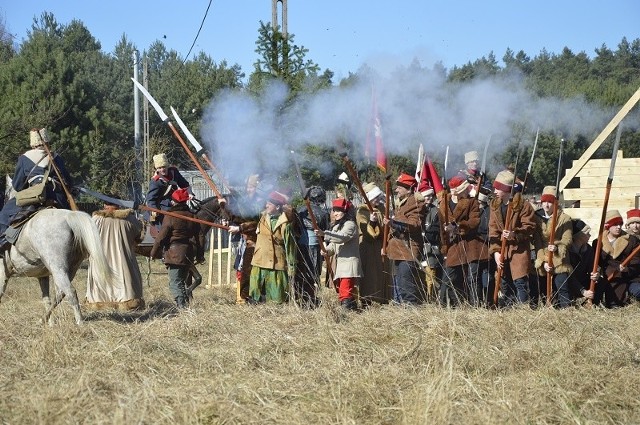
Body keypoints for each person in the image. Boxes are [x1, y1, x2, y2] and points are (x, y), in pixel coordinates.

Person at [0, 128, 73, 254]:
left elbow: (17, 186)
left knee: (4, 214)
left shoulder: (24, 158)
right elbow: (67, 181)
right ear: (47, 141)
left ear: (32, 144)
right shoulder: (56, 157)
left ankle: (2, 242)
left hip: (34, 197)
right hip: (57, 197)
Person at [86, 199, 145, 311]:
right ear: (119, 205)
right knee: (125, 279)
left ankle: (101, 303)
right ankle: (126, 303)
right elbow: (138, 236)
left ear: (104, 205)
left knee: (101, 279)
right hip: (123, 259)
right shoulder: (130, 219)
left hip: (100, 259)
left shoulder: (95, 220)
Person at [489, 170, 537, 307]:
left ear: (506, 189)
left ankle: (523, 310)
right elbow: (493, 230)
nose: (495, 190)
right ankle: (509, 310)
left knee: (520, 282)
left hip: (518, 250)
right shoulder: (495, 205)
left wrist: (514, 234)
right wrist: (496, 253)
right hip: (502, 251)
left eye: (499, 187)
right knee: (505, 282)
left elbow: (529, 227)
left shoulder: (523, 205)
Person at [150, 188, 202, 309]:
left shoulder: (170, 217)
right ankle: (185, 307)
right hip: (188, 252)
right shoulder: (193, 216)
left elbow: (161, 237)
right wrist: (200, 254)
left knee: (175, 283)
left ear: (173, 202)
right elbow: (200, 236)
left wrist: (153, 252)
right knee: (181, 282)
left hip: (175, 254)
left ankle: (182, 308)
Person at [438, 176, 484, 307]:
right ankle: (452, 305)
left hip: (469, 244)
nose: (468, 191)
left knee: (471, 278)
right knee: (448, 278)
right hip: (452, 245)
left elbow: (474, 221)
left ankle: (475, 306)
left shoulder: (471, 202)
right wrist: (444, 245)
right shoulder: (443, 203)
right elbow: (441, 228)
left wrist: (457, 227)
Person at [383, 173, 426, 305]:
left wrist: (393, 223)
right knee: (401, 283)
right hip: (398, 250)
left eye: (400, 187)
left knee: (407, 284)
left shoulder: (415, 202)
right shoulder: (401, 203)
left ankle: (411, 310)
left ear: (408, 188)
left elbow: (414, 224)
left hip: (408, 249)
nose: (396, 190)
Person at [248, 190, 297, 304]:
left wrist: (292, 266)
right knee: (256, 289)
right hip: (260, 259)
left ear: (278, 206)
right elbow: (246, 217)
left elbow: (290, 246)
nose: (266, 205)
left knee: (276, 295)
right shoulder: (262, 217)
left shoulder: (285, 224)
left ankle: (275, 309)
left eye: (269, 204)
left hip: (276, 262)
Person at [532, 186, 574, 308]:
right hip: (544, 259)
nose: (546, 205)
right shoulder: (537, 218)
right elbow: (537, 242)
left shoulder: (564, 219)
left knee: (562, 289)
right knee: (545, 292)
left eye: (550, 202)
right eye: (544, 201)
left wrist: (557, 247)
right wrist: (543, 261)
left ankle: (566, 313)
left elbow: (567, 239)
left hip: (560, 260)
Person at [317, 198, 362, 310]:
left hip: (349, 263)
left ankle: (346, 311)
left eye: (338, 211)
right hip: (341, 263)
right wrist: (326, 251)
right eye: (334, 210)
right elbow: (333, 245)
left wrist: (324, 233)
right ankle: (351, 308)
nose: (335, 213)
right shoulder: (337, 227)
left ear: (345, 212)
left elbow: (342, 238)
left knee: (345, 290)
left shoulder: (350, 225)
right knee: (343, 289)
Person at [228, 174, 264, 303]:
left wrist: (240, 228)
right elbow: (238, 217)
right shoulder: (244, 201)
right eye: (248, 187)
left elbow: (258, 222)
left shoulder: (261, 202)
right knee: (243, 267)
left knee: (251, 269)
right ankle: (244, 296)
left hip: (256, 240)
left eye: (252, 187)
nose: (249, 190)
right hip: (246, 240)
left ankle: (254, 295)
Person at [595, 210, 640, 307]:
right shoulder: (598, 242)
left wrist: (627, 269)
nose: (619, 227)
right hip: (606, 275)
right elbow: (596, 261)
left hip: (628, 275)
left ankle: (617, 303)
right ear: (608, 226)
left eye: (620, 224)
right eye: (615, 224)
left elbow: (636, 260)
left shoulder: (631, 240)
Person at [356, 182, 391, 305]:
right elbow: (368, 234)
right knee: (369, 274)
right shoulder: (362, 211)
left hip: (380, 246)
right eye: (376, 198)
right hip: (368, 247)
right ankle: (367, 300)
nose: (378, 200)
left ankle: (382, 299)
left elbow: (385, 229)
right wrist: (372, 222)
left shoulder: (382, 208)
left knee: (381, 273)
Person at [295, 186, 330, 306]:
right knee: (312, 272)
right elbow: (326, 231)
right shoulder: (323, 213)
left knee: (304, 272)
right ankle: (309, 297)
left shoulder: (300, 210)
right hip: (312, 245)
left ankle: (307, 297)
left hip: (302, 245)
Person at [145, 153, 192, 228]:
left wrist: (190, 193)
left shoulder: (174, 172)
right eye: (159, 168)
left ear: (167, 166)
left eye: (164, 167)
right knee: (165, 228)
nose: (162, 169)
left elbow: (185, 185)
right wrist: (154, 211)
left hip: (176, 203)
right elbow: (150, 200)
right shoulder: (155, 181)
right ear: (156, 169)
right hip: (162, 206)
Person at [419, 181, 442, 302]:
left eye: (429, 196)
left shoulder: (436, 211)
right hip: (418, 248)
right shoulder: (416, 210)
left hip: (431, 248)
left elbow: (437, 228)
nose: (427, 198)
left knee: (431, 276)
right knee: (420, 275)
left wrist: (425, 235)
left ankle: (431, 299)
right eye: (425, 196)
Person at [568, 219, 596, 304]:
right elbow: (569, 276)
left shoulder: (588, 249)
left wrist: (596, 274)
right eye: (587, 233)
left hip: (582, 279)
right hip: (570, 282)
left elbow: (592, 267)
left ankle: (593, 304)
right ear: (579, 236)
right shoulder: (567, 251)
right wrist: (582, 291)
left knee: (600, 282)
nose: (590, 235)